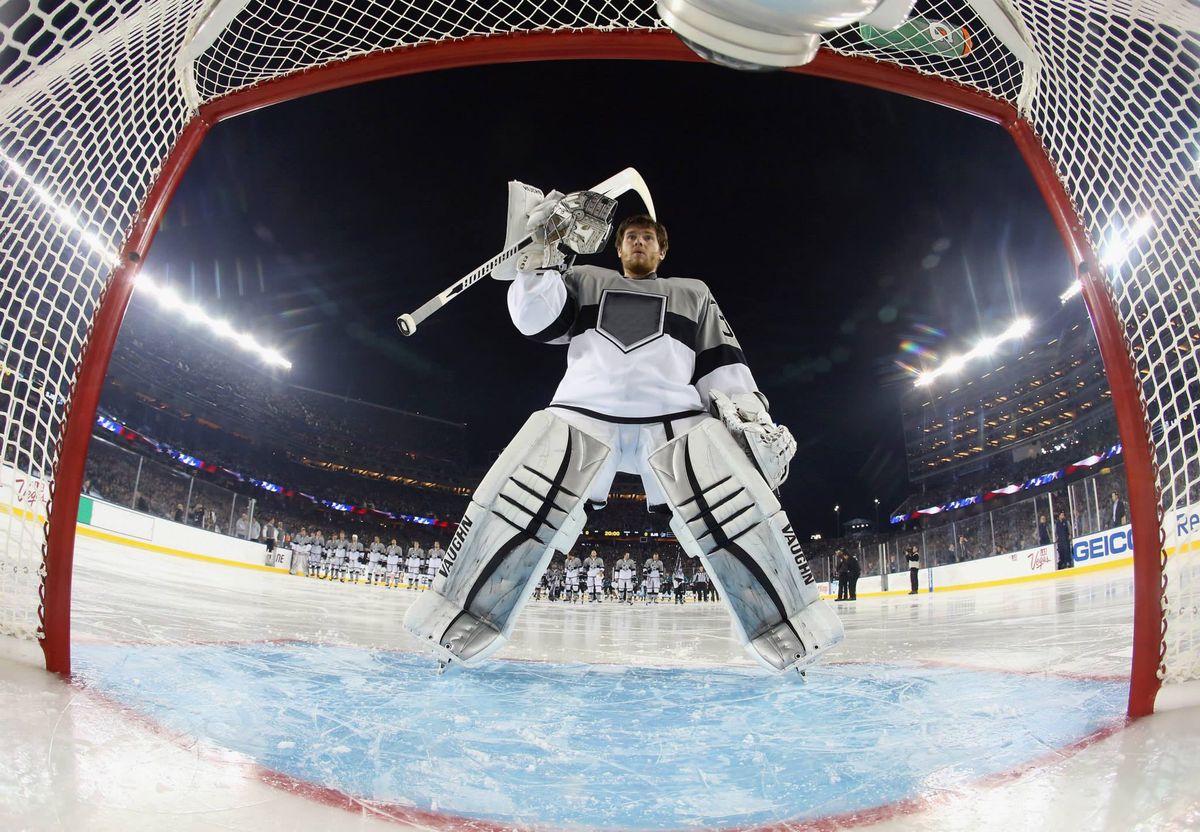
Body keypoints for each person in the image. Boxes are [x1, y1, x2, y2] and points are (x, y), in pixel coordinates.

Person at [404, 196, 842, 674]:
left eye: (648, 238)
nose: (638, 242)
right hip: (584, 406)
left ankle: (793, 629)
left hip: (673, 413)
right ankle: (454, 621)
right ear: (617, 248)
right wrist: (541, 255)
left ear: (661, 251)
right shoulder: (584, 278)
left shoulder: (693, 292)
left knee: (736, 508)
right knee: (518, 504)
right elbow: (533, 320)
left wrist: (751, 418)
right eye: (631, 237)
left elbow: (721, 360)